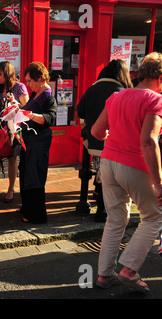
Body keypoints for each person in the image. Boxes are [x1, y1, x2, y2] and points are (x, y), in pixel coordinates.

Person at [92, 52, 162, 293]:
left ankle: (104, 275)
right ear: (160, 78)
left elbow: (97, 131)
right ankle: (129, 269)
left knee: (115, 219)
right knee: (154, 216)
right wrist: (160, 183)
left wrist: (114, 139)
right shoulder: (155, 100)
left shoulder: (116, 96)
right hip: (134, 165)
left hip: (109, 163)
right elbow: (149, 143)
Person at [77, 59, 133, 222]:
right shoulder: (122, 91)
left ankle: (97, 207)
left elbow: (80, 110)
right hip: (115, 144)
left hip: (93, 143)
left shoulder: (93, 88)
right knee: (110, 178)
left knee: (100, 174)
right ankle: (104, 210)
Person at [19, 62, 57, 224]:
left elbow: (51, 118)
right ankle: (27, 208)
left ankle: (37, 214)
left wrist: (30, 115)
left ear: (40, 78)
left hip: (39, 141)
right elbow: (28, 109)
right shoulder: (37, 93)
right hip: (30, 140)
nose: (27, 85)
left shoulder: (48, 94)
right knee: (27, 172)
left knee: (35, 175)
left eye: (29, 81)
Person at [0, 61, 29, 203]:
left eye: (0, 74)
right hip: (0, 127)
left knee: (12, 157)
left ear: (7, 73)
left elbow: (26, 107)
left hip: (14, 127)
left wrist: (14, 103)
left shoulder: (19, 87)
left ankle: (11, 188)